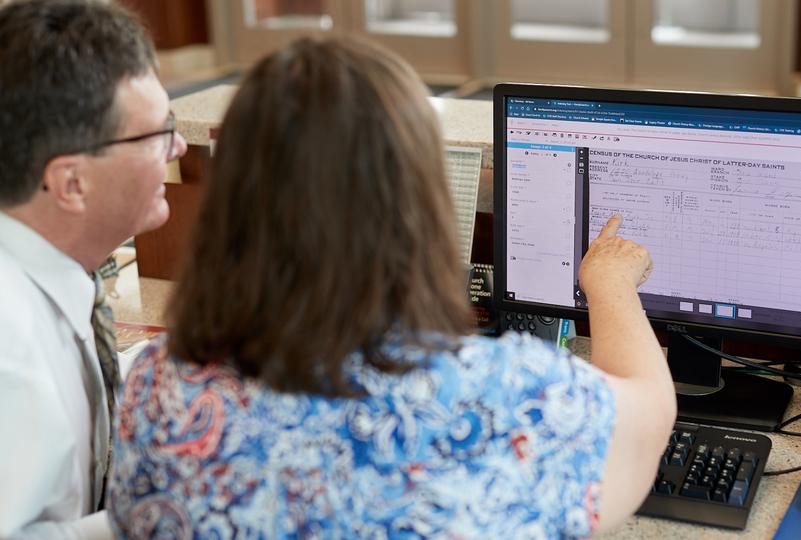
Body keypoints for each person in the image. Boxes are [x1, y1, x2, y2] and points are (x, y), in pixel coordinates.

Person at [107, 37, 676, 538]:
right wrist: (609, 282)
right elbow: (648, 421)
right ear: (415, 204)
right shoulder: (506, 395)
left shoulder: (157, 386)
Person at [0, 0, 186, 537]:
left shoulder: (59, 272)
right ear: (71, 183)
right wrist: (172, 505)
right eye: (155, 134)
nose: (177, 147)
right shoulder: (11, 351)